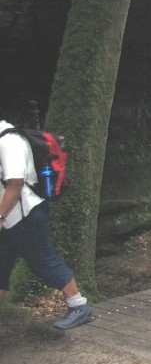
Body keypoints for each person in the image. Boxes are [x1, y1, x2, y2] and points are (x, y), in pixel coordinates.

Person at [0, 118, 92, 329]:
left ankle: (79, 306)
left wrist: (0, 217)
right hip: (10, 217)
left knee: (43, 260)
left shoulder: (8, 141)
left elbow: (15, 183)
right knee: (1, 266)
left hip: (25, 214)